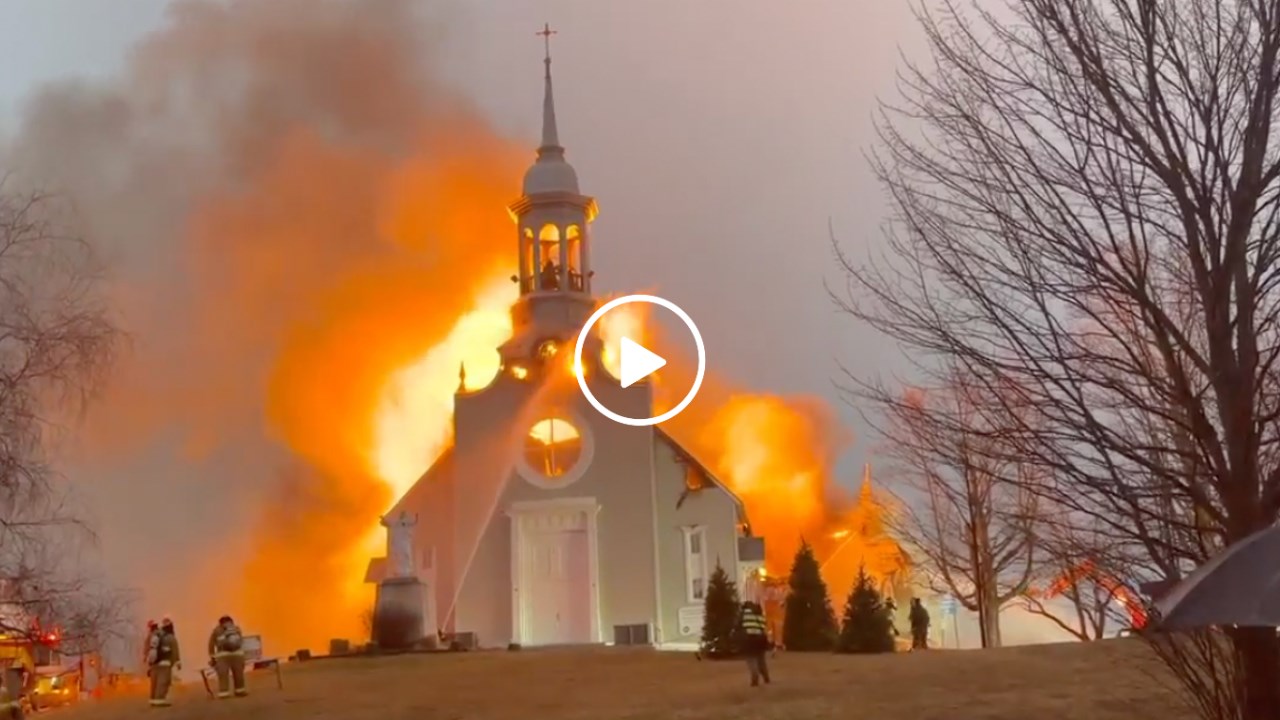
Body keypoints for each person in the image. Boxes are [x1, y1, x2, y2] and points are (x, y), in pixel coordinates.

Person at [207, 615, 248, 699]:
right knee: (238, 674)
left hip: (223, 656)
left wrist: (212, 657)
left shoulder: (216, 631)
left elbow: (211, 644)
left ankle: (224, 693)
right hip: (238, 655)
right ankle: (240, 691)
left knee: (223, 675)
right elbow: (241, 641)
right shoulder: (236, 629)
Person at [147, 617, 181, 707]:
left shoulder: (155, 635)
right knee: (163, 682)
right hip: (165, 664)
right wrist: (176, 662)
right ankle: (160, 699)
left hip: (154, 663)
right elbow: (175, 651)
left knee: (154, 682)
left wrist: (149, 662)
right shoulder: (170, 637)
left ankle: (153, 699)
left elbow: (149, 647)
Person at [737, 601, 771, 687]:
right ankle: (766, 677)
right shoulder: (760, 615)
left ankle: (755, 676)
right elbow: (764, 626)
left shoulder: (744, 614)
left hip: (749, 638)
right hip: (760, 639)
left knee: (751, 658)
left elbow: (738, 625)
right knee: (761, 659)